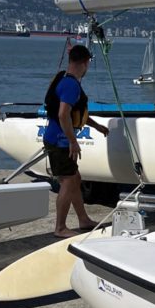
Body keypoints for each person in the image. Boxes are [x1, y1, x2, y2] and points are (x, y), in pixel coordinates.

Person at [42, 44, 109, 238]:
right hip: (60, 141)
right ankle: (60, 228)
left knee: (75, 179)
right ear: (85, 62)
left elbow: (74, 113)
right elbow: (63, 115)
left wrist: (97, 126)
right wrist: (73, 141)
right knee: (69, 181)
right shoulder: (71, 85)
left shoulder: (65, 80)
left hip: (58, 139)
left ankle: (83, 220)